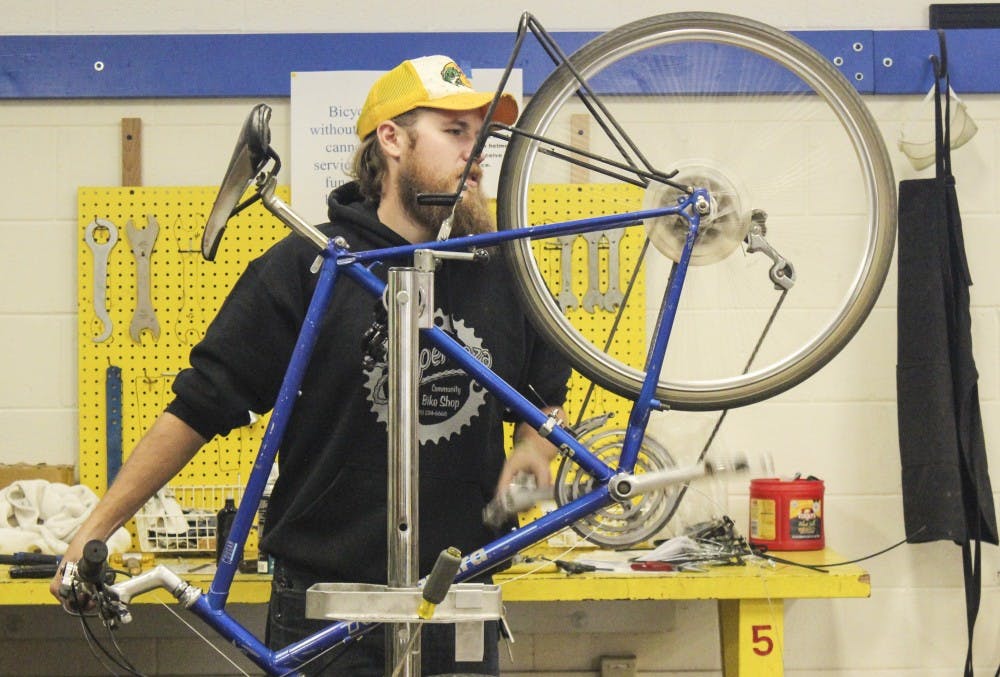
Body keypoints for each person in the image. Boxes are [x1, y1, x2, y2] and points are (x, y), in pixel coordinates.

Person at [51, 55, 571, 676]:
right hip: (324, 603)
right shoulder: (309, 266)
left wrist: (534, 448)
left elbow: (544, 390)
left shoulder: (506, 271)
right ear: (392, 139)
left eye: (481, 138)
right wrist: (96, 529)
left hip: (459, 598)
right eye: (455, 133)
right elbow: (199, 406)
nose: (475, 154)